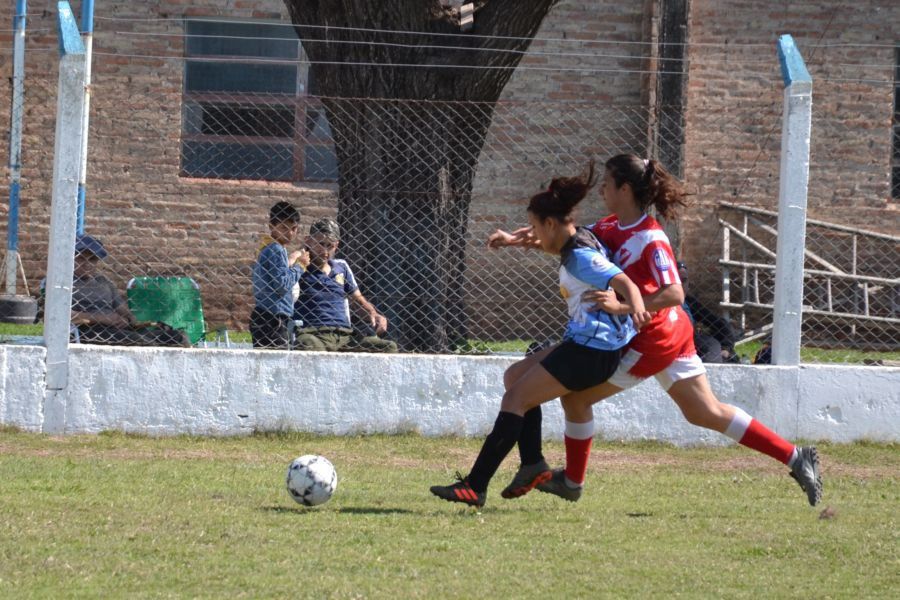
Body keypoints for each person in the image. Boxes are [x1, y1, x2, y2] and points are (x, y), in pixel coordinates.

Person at [488, 154, 823, 507]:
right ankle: (795, 457)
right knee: (703, 411)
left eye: (607, 182)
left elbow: (674, 292)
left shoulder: (651, 238)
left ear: (625, 189)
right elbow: (565, 241)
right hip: (670, 332)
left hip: (652, 338)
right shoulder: (610, 226)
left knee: (577, 398)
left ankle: (572, 482)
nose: (601, 188)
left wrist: (622, 306)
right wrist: (515, 239)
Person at [429, 161, 650, 507]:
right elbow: (540, 240)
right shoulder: (574, 236)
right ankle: (532, 463)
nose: (531, 233)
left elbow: (624, 281)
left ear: (551, 223)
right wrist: (513, 239)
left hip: (593, 353)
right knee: (514, 377)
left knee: (515, 400)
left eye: (534, 226)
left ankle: (475, 485)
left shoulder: (581, 258)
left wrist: (634, 306)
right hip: (585, 345)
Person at [44, 234, 189, 347]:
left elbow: (120, 307)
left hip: (118, 329)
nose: (87, 264)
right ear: (71, 259)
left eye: (92, 260)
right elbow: (62, 315)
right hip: (88, 330)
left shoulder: (102, 281)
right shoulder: (61, 283)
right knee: (143, 342)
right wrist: (105, 319)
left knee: (171, 336)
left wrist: (130, 319)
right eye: (81, 259)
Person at [292, 217, 397, 353]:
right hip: (314, 333)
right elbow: (285, 270)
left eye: (330, 246)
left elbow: (358, 299)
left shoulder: (341, 267)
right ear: (308, 241)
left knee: (389, 347)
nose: (325, 251)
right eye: (320, 243)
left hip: (345, 336)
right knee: (306, 343)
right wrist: (299, 254)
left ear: (336, 245)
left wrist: (373, 313)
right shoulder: (299, 267)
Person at [250, 201, 307, 349]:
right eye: (284, 227)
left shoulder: (269, 247)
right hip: (273, 319)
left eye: (293, 228)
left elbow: (276, 274)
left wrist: (292, 259)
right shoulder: (276, 249)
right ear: (271, 226)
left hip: (265, 315)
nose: (290, 233)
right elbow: (282, 284)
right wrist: (300, 266)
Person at [676, 260, 741, 364]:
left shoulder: (689, 302)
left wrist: (726, 348)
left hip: (691, 341)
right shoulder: (660, 302)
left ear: (688, 284)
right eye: (677, 281)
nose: (680, 286)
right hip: (672, 341)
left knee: (714, 346)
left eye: (684, 281)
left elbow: (719, 324)